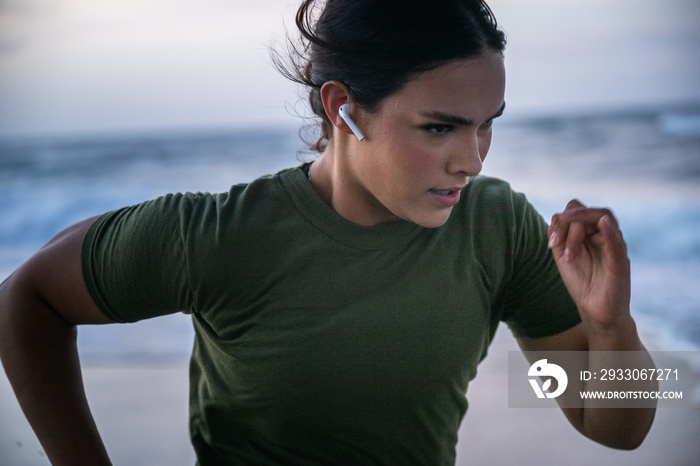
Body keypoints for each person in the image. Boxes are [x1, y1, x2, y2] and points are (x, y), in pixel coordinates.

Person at [0, 0, 656, 464]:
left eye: (488, 123)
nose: (474, 158)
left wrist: (610, 324)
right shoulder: (226, 236)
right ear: (344, 108)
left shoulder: (497, 227)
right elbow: (25, 299)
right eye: (440, 127)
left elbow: (616, 430)